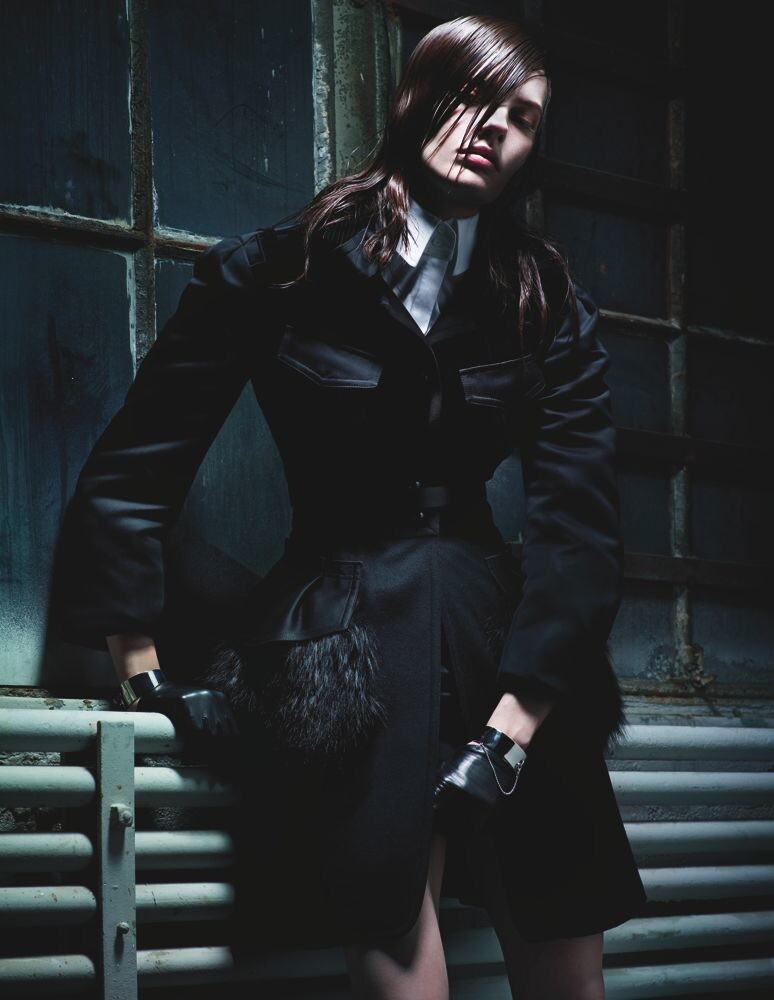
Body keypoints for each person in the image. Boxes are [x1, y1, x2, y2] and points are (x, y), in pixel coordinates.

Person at [51, 13, 648, 1000]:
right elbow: (133, 472)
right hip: (350, 642)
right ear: (416, 97)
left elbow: (581, 528)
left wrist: (513, 730)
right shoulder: (280, 268)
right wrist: (142, 673)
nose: (496, 128)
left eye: (525, 117)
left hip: (514, 652)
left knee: (567, 950)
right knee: (396, 945)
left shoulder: (546, 300)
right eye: (475, 97)